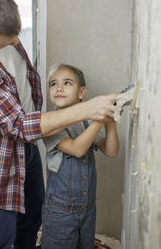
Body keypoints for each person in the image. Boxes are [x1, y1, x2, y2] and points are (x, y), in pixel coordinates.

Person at [0, 0, 117, 249]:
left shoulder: (2, 28)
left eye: (16, 34)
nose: (14, 42)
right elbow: (19, 124)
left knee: (31, 219)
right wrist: (88, 109)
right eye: (7, 40)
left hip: (28, 147)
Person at [41, 64, 119, 249]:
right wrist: (99, 120)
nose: (58, 88)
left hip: (87, 207)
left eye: (67, 83)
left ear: (81, 92)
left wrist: (110, 122)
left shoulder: (87, 122)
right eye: (53, 84)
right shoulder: (49, 124)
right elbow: (77, 149)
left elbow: (111, 151)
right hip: (60, 211)